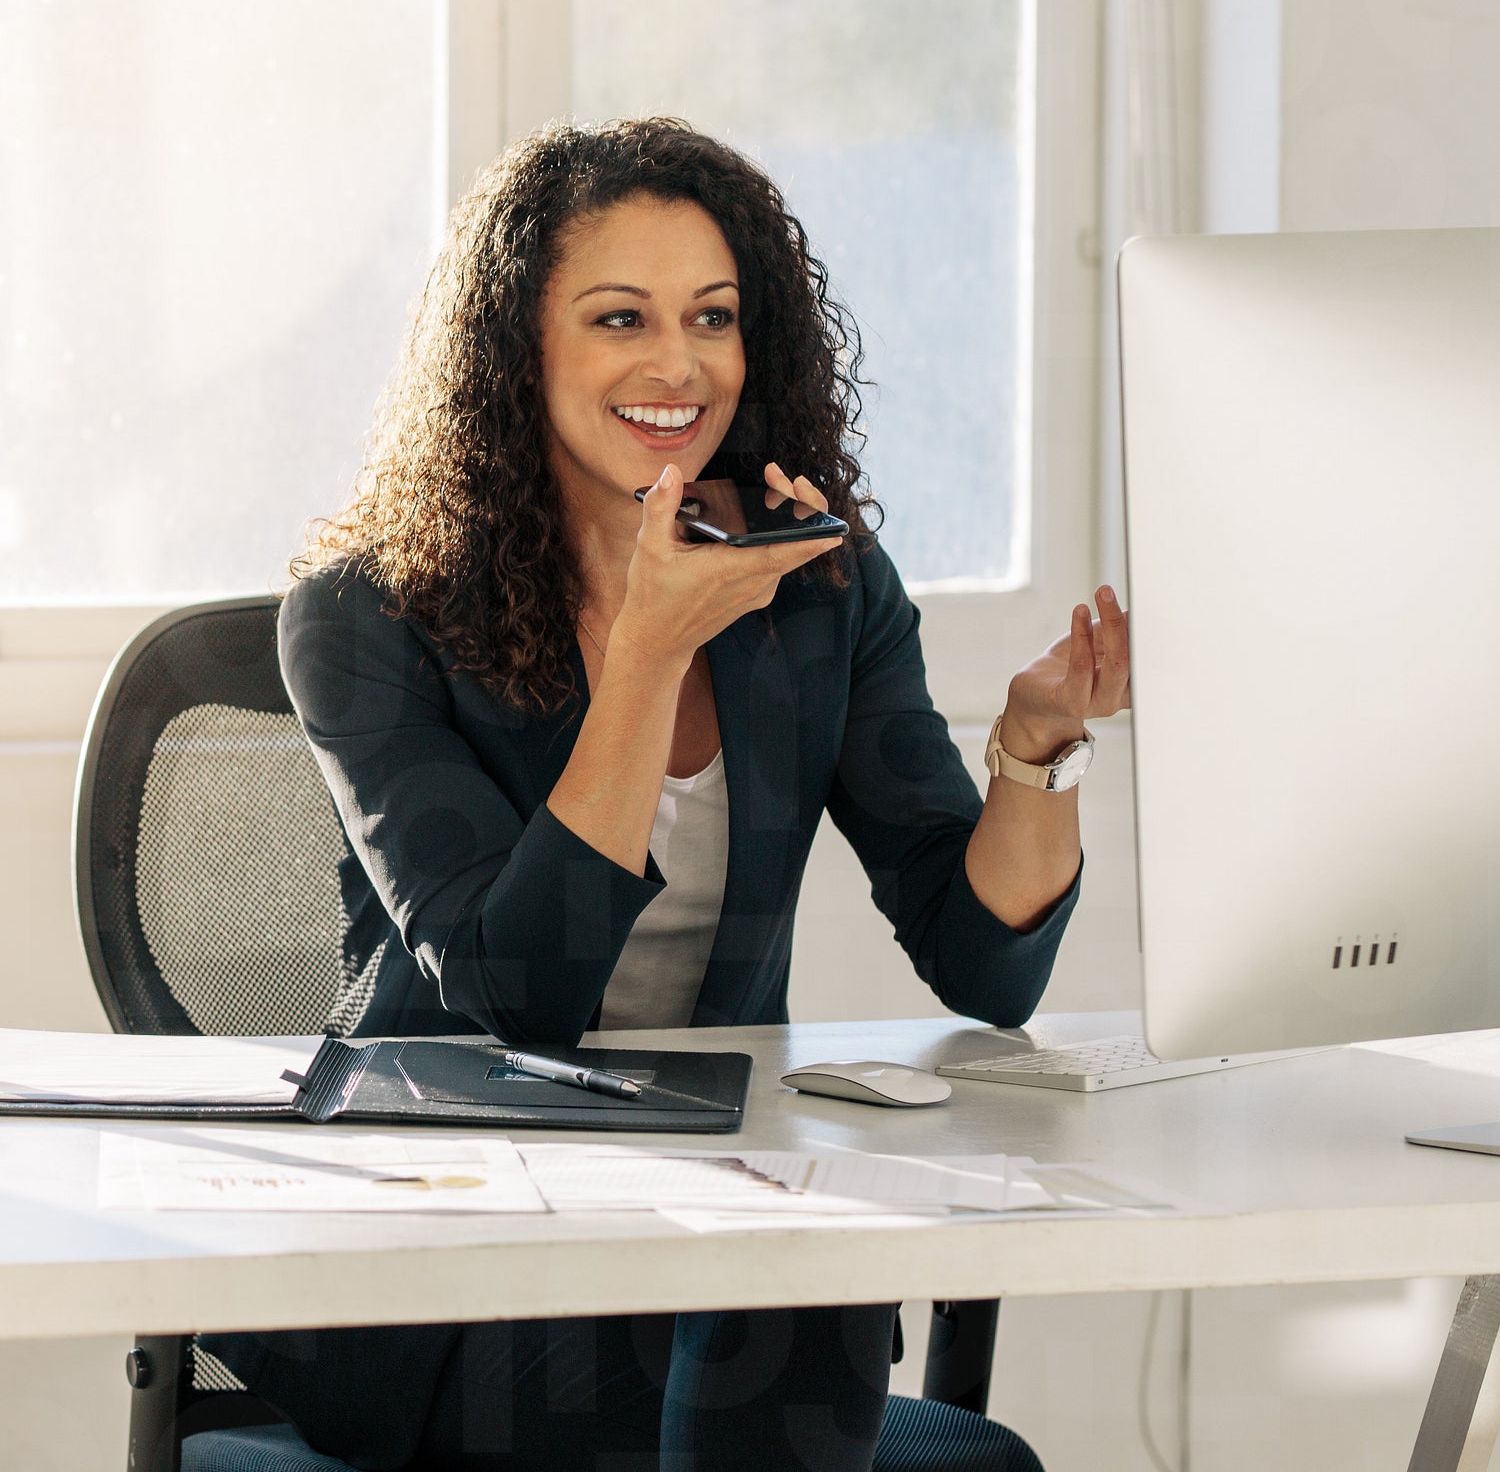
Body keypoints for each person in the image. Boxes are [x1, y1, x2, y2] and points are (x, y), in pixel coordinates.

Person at [205, 117, 1129, 1472]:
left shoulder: (818, 591)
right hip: (438, 1256)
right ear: (516, 350)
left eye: (713, 316)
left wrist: (1038, 751)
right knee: (789, 1289)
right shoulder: (366, 614)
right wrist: (648, 652)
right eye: (619, 318)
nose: (678, 363)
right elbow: (523, 991)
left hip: (708, 1222)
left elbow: (984, 964)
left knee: (813, 1261)